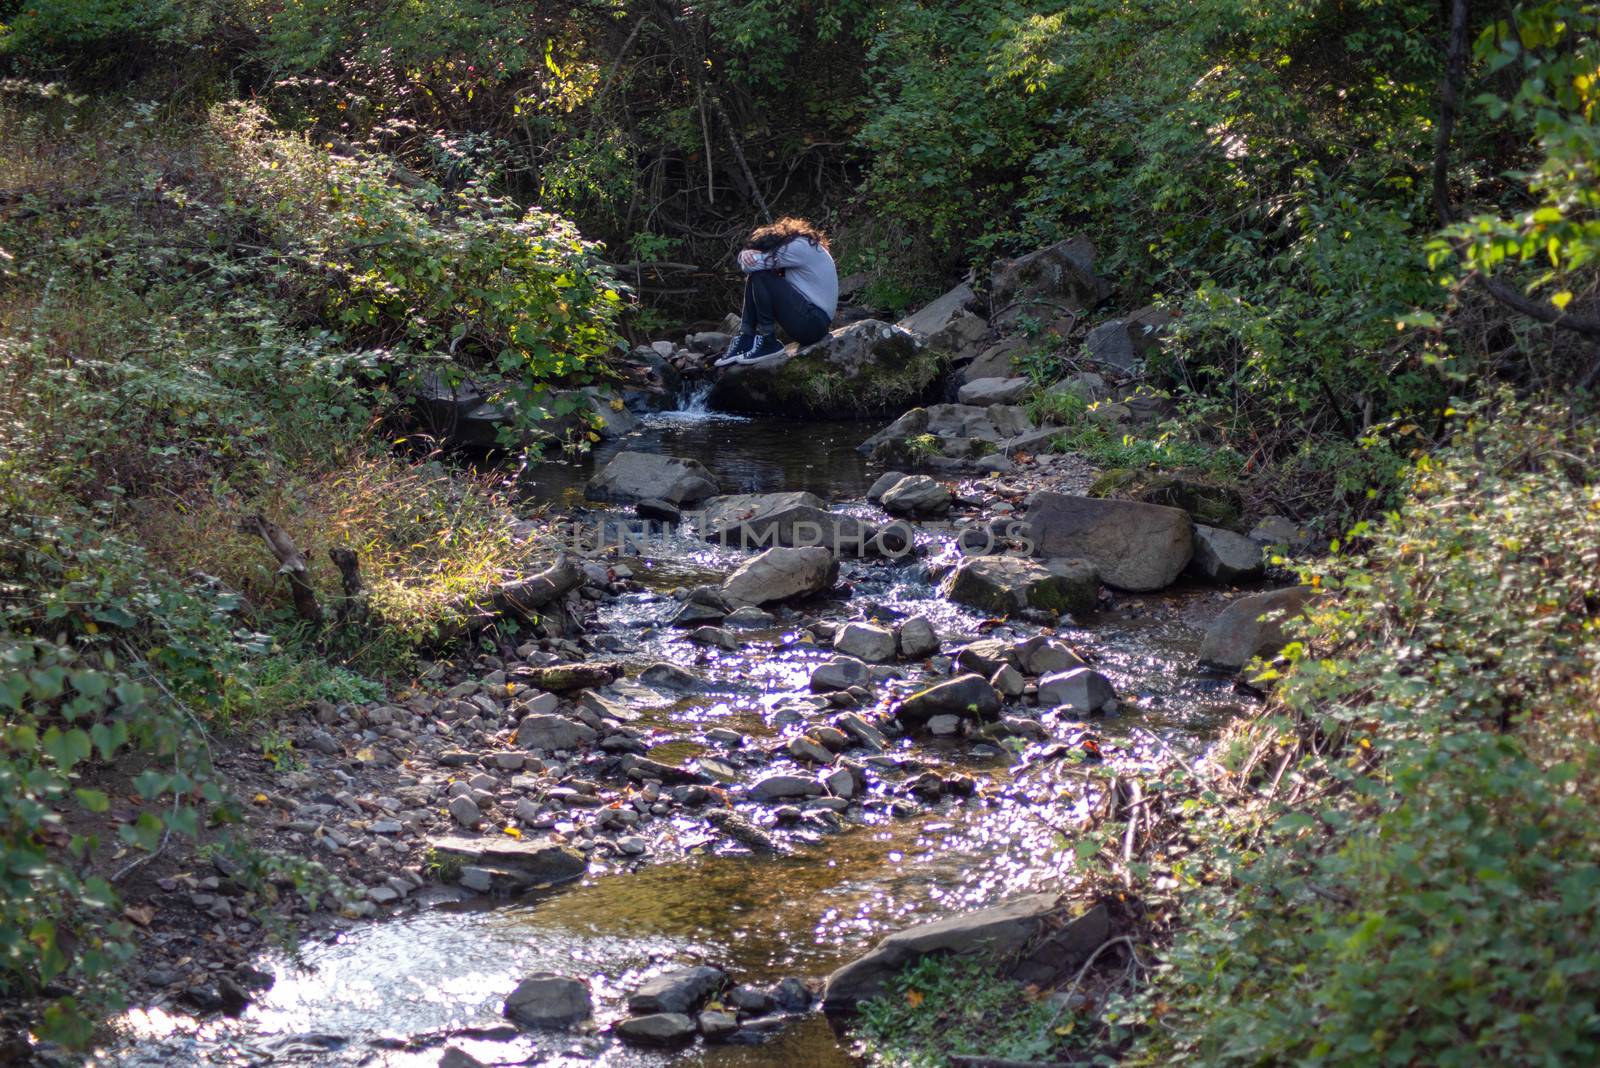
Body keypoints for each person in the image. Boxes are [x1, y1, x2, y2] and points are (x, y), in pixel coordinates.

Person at [715, 217, 838, 366]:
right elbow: (750, 264)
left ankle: (768, 340)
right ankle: (746, 337)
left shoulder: (798, 247)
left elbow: (750, 266)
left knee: (761, 276)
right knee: (756, 276)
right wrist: (746, 252)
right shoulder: (799, 243)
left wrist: (747, 254)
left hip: (814, 324)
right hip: (812, 320)